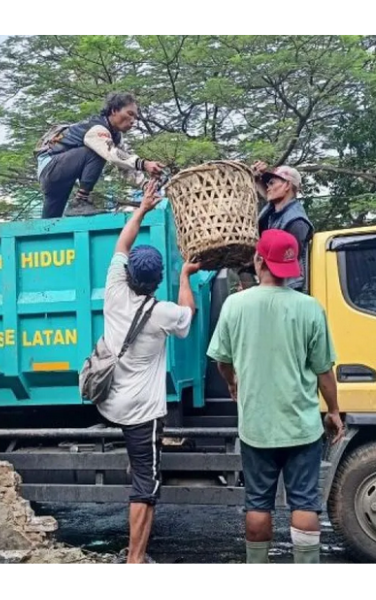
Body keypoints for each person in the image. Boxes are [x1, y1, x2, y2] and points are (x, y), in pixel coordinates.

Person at [206, 228, 344, 564]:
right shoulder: (310, 308)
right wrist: (334, 411)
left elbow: (222, 360)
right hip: (301, 427)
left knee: (257, 504)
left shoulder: (235, 305)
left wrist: (233, 382)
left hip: (256, 427)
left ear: (258, 260)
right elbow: (324, 372)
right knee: (304, 504)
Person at [97, 179, 200, 564]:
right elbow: (189, 315)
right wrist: (186, 277)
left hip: (110, 403)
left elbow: (123, 245)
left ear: (128, 276)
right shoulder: (163, 313)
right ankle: (135, 562)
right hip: (142, 413)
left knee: (138, 463)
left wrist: (141, 209)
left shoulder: (114, 289)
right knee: (146, 484)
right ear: (157, 281)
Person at [37, 92, 164, 218]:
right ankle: (80, 201)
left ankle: (43, 234)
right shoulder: (97, 129)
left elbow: (123, 162)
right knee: (97, 152)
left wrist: (146, 185)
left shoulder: (116, 137)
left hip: (60, 176)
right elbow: (111, 154)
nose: (133, 121)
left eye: (136, 117)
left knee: (50, 224)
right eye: (130, 114)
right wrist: (144, 164)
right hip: (51, 167)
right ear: (114, 110)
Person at [245, 161, 315, 292]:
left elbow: (287, 262)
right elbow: (267, 196)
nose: (268, 188)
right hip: (272, 284)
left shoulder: (296, 222)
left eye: (272, 183)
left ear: (287, 185)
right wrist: (255, 178)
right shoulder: (275, 210)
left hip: (288, 289)